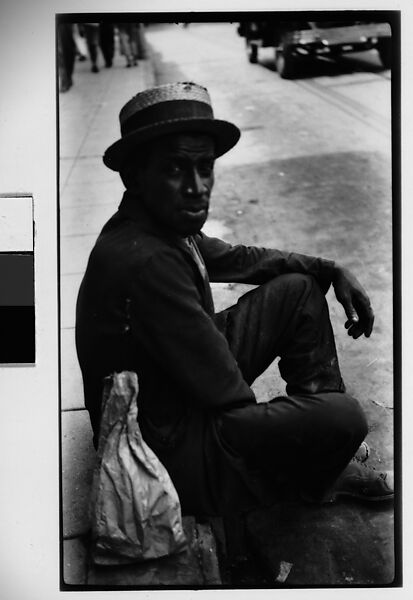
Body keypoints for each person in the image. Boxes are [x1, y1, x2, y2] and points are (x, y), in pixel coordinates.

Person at [75, 81, 393, 518]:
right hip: (165, 452)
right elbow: (230, 399)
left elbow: (240, 259)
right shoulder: (147, 262)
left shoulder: (157, 222)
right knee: (344, 417)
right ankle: (315, 468)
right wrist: (303, 424)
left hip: (174, 395)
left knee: (298, 288)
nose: (196, 186)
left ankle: (326, 464)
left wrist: (327, 267)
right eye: (175, 169)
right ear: (134, 175)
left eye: (205, 167)